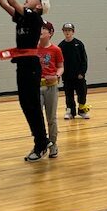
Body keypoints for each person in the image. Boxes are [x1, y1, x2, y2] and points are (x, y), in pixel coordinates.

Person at [0, 0, 52, 162]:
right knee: (26, 104)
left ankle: (42, 142)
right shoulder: (24, 16)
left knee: (32, 105)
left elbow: (11, 0)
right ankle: (42, 140)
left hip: (30, 66)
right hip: (23, 65)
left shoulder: (35, 17)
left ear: (39, 6)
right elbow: (4, 4)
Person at [37, 21, 64, 158]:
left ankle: (53, 144)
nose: (41, 30)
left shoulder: (56, 50)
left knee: (51, 118)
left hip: (51, 86)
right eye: (40, 28)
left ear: (50, 33)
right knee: (37, 117)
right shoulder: (33, 48)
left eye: (44, 28)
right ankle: (40, 145)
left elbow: (61, 67)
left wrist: (56, 75)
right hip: (36, 86)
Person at [58, 23, 90, 119]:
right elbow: (59, 62)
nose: (67, 32)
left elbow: (84, 60)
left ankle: (82, 110)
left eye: (69, 30)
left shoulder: (79, 44)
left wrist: (82, 72)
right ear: (63, 32)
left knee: (82, 93)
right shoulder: (61, 46)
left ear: (73, 32)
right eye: (65, 30)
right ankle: (70, 112)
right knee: (69, 95)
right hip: (67, 76)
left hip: (78, 75)